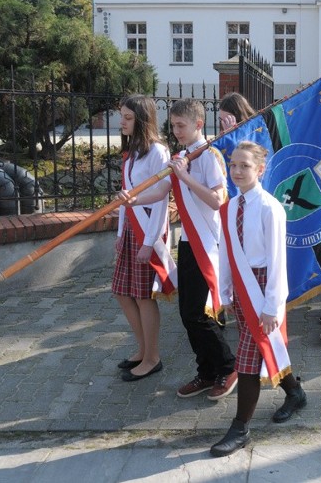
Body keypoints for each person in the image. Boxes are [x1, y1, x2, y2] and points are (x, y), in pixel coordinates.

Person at [122, 99, 237, 398]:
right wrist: (135, 199)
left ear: (198, 124)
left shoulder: (209, 156)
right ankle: (206, 371)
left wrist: (184, 176)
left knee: (201, 313)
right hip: (187, 242)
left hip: (208, 244)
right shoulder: (181, 156)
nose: (176, 131)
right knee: (188, 314)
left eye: (181, 126)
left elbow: (217, 200)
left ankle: (227, 368)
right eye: (172, 126)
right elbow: (161, 191)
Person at [210, 141, 307, 457]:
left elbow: (278, 261)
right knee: (267, 348)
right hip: (241, 286)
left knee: (248, 360)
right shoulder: (229, 207)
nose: (237, 171)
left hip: (264, 288)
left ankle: (240, 429)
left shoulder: (269, 207)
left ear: (260, 169)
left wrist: (271, 306)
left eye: (245, 166)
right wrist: (224, 293)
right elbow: (226, 253)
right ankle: (294, 392)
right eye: (233, 165)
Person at [113, 95, 174, 382]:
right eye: (121, 116)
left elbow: (161, 198)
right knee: (123, 292)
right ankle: (142, 349)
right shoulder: (133, 154)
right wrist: (119, 232)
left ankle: (152, 357)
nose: (121, 122)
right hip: (130, 230)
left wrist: (150, 242)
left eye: (127, 117)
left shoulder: (158, 152)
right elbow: (127, 198)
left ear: (141, 120)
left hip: (148, 231)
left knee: (143, 294)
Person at [214, 92, 257, 328]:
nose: (223, 124)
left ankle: (242, 303)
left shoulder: (246, 133)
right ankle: (226, 301)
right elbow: (212, 154)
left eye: (226, 119)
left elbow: (233, 151)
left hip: (244, 203)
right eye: (220, 120)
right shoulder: (229, 135)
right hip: (227, 204)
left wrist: (229, 135)